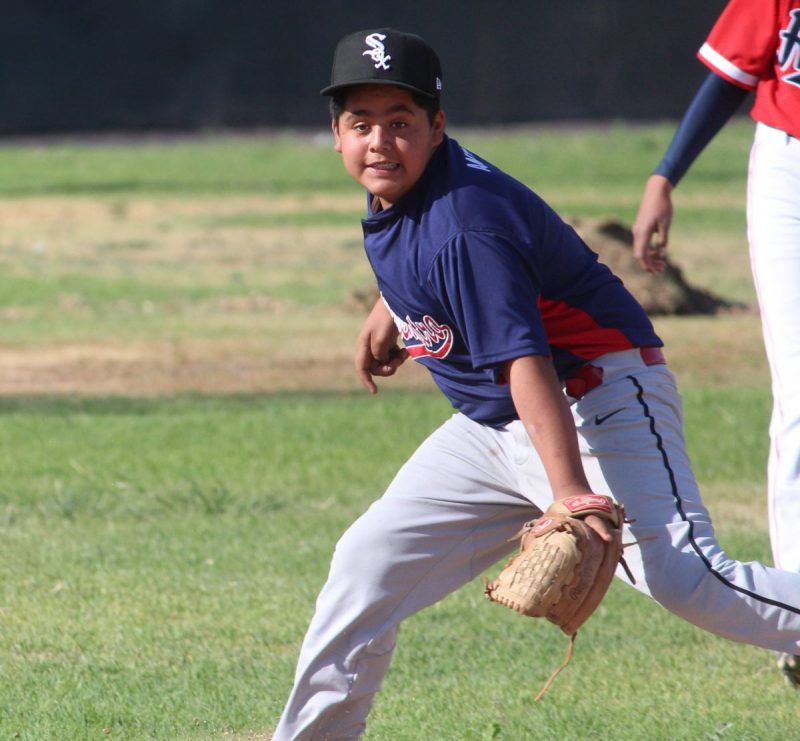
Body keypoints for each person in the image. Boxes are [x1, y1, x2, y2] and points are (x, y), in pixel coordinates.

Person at [274, 27, 800, 739]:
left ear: (437, 126)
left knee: (690, 581)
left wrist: (570, 494)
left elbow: (529, 362)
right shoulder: (410, 193)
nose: (379, 142)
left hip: (597, 399)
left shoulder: (466, 225)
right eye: (360, 123)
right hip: (495, 425)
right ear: (334, 134)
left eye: (400, 123)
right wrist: (390, 307)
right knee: (367, 564)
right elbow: (419, 246)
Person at [631, 0, 800, 686]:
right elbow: (735, 71)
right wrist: (665, 173)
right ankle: (796, 610)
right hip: (790, 169)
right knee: (799, 390)